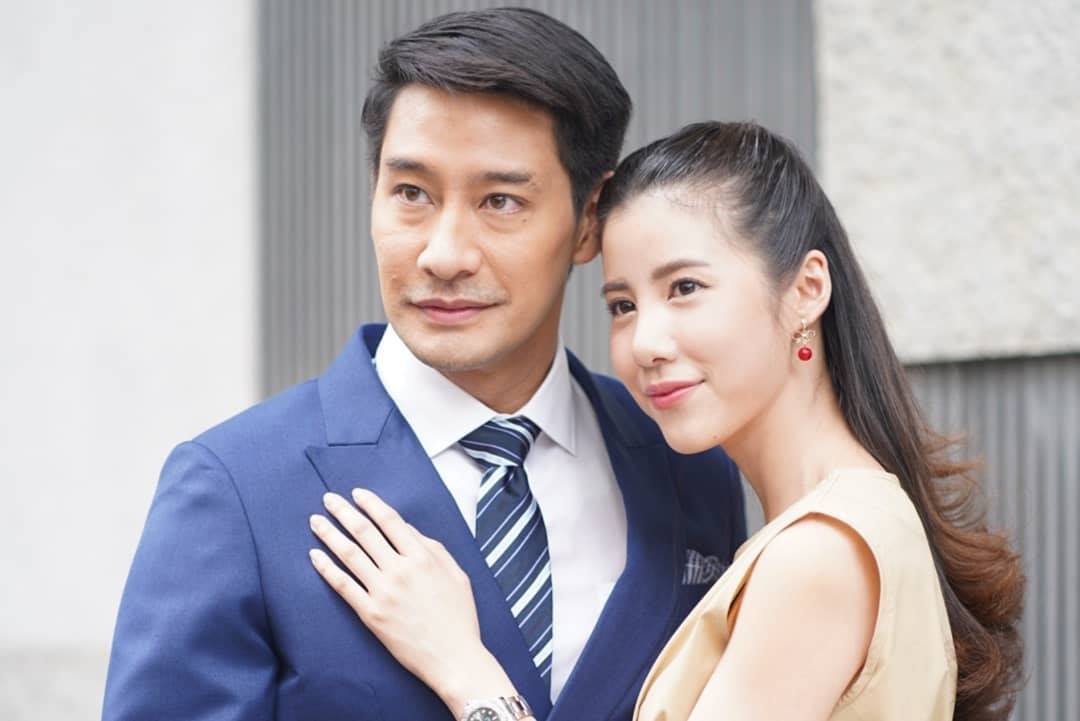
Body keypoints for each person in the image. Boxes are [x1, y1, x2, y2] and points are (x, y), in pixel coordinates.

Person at [101, 9, 746, 721]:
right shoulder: (237, 488)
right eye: (412, 194)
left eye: (500, 201)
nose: (444, 255)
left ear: (590, 218)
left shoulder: (687, 468)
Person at [309, 122, 1026, 721]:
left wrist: (467, 673)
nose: (646, 342)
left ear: (807, 288)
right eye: (622, 306)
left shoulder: (819, 556)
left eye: (685, 287)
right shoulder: (839, 523)